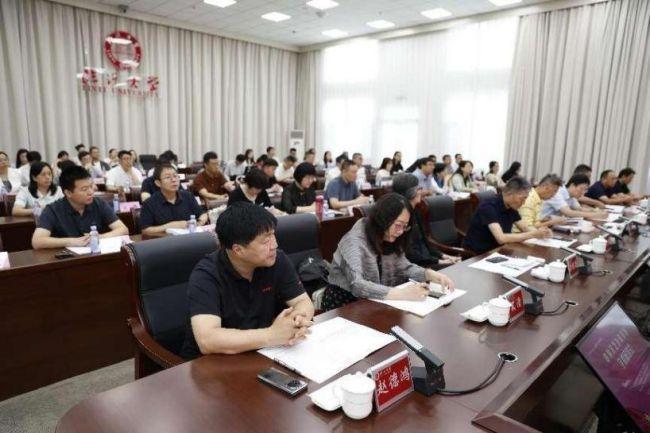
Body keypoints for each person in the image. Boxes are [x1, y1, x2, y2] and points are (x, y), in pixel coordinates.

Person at [179, 202, 314, 359]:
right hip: (211, 362)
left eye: (273, 235)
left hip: (259, 352)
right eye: (265, 241)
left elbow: (303, 302)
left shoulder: (276, 260)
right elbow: (207, 340)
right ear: (238, 250)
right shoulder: (206, 275)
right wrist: (271, 335)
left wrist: (297, 321)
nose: (275, 245)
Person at [321, 193, 456, 311]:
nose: (401, 231)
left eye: (405, 226)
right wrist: (403, 294)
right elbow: (357, 284)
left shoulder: (390, 238)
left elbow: (404, 268)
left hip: (377, 300)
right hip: (345, 304)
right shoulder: (354, 241)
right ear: (383, 219)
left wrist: (429, 274)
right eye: (398, 225)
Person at [31, 165, 128, 249]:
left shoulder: (98, 203)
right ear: (68, 193)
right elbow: (37, 241)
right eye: (84, 189)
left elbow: (123, 229)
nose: (90, 192)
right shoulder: (53, 210)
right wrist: (72, 241)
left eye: (91, 186)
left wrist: (98, 237)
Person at [462, 177, 552, 254]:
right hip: (477, 255)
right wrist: (533, 234)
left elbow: (525, 228)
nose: (524, 203)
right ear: (510, 194)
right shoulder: (488, 207)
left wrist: (541, 232)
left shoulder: (511, 207)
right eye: (522, 198)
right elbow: (501, 238)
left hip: (497, 251)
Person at [392, 173, 460, 268]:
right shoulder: (400, 218)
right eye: (419, 188)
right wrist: (439, 261)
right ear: (410, 192)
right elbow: (410, 254)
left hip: (427, 260)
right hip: (416, 266)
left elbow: (425, 240)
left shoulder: (415, 211)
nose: (421, 191)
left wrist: (444, 256)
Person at [140, 164, 208, 235]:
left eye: (175, 176)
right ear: (158, 183)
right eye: (168, 177)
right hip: (165, 240)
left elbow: (203, 214)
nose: (173, 180)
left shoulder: (188, 196)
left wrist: (198, 224)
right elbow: (145, 230)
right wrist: (169, 226)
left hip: (189, 238)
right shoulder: (149, 203)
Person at [541, 174, 609, 220]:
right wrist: (596, 215)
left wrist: (595, 211)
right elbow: (569, 213)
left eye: (585, 190)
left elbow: (579, 209)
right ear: (572, 185)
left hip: (553, 223)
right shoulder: (557, 192)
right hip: (542, 223)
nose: (583, 193)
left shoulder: (572, 195)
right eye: (581, 189)